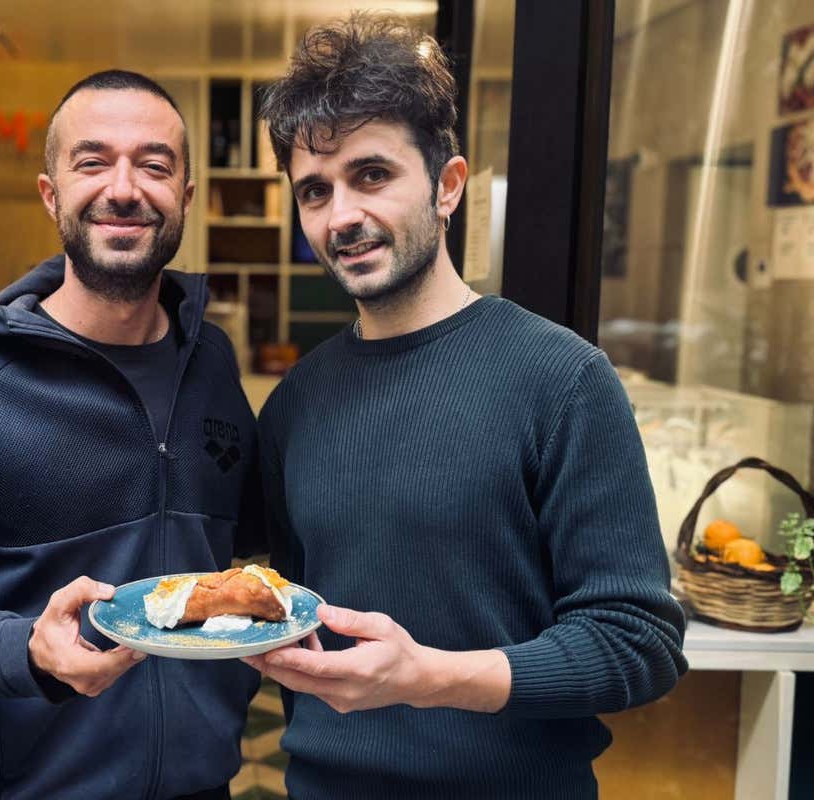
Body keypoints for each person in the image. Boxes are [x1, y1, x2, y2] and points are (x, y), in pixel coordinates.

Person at [243, 15, 687, 799]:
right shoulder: (294, 405)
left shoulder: (562, 380)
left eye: (371, 175)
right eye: (316, 190)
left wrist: (429, 677)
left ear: (447, 186)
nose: (341, 216)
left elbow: (637, 642)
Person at [0, 70, 263, 800]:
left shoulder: (212, 360)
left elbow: (235, 549)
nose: (124, 189)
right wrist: (26, 652)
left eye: (154, 166)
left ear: (186, 197)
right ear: (51, 193)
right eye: (93, 161)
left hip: (204, 784)